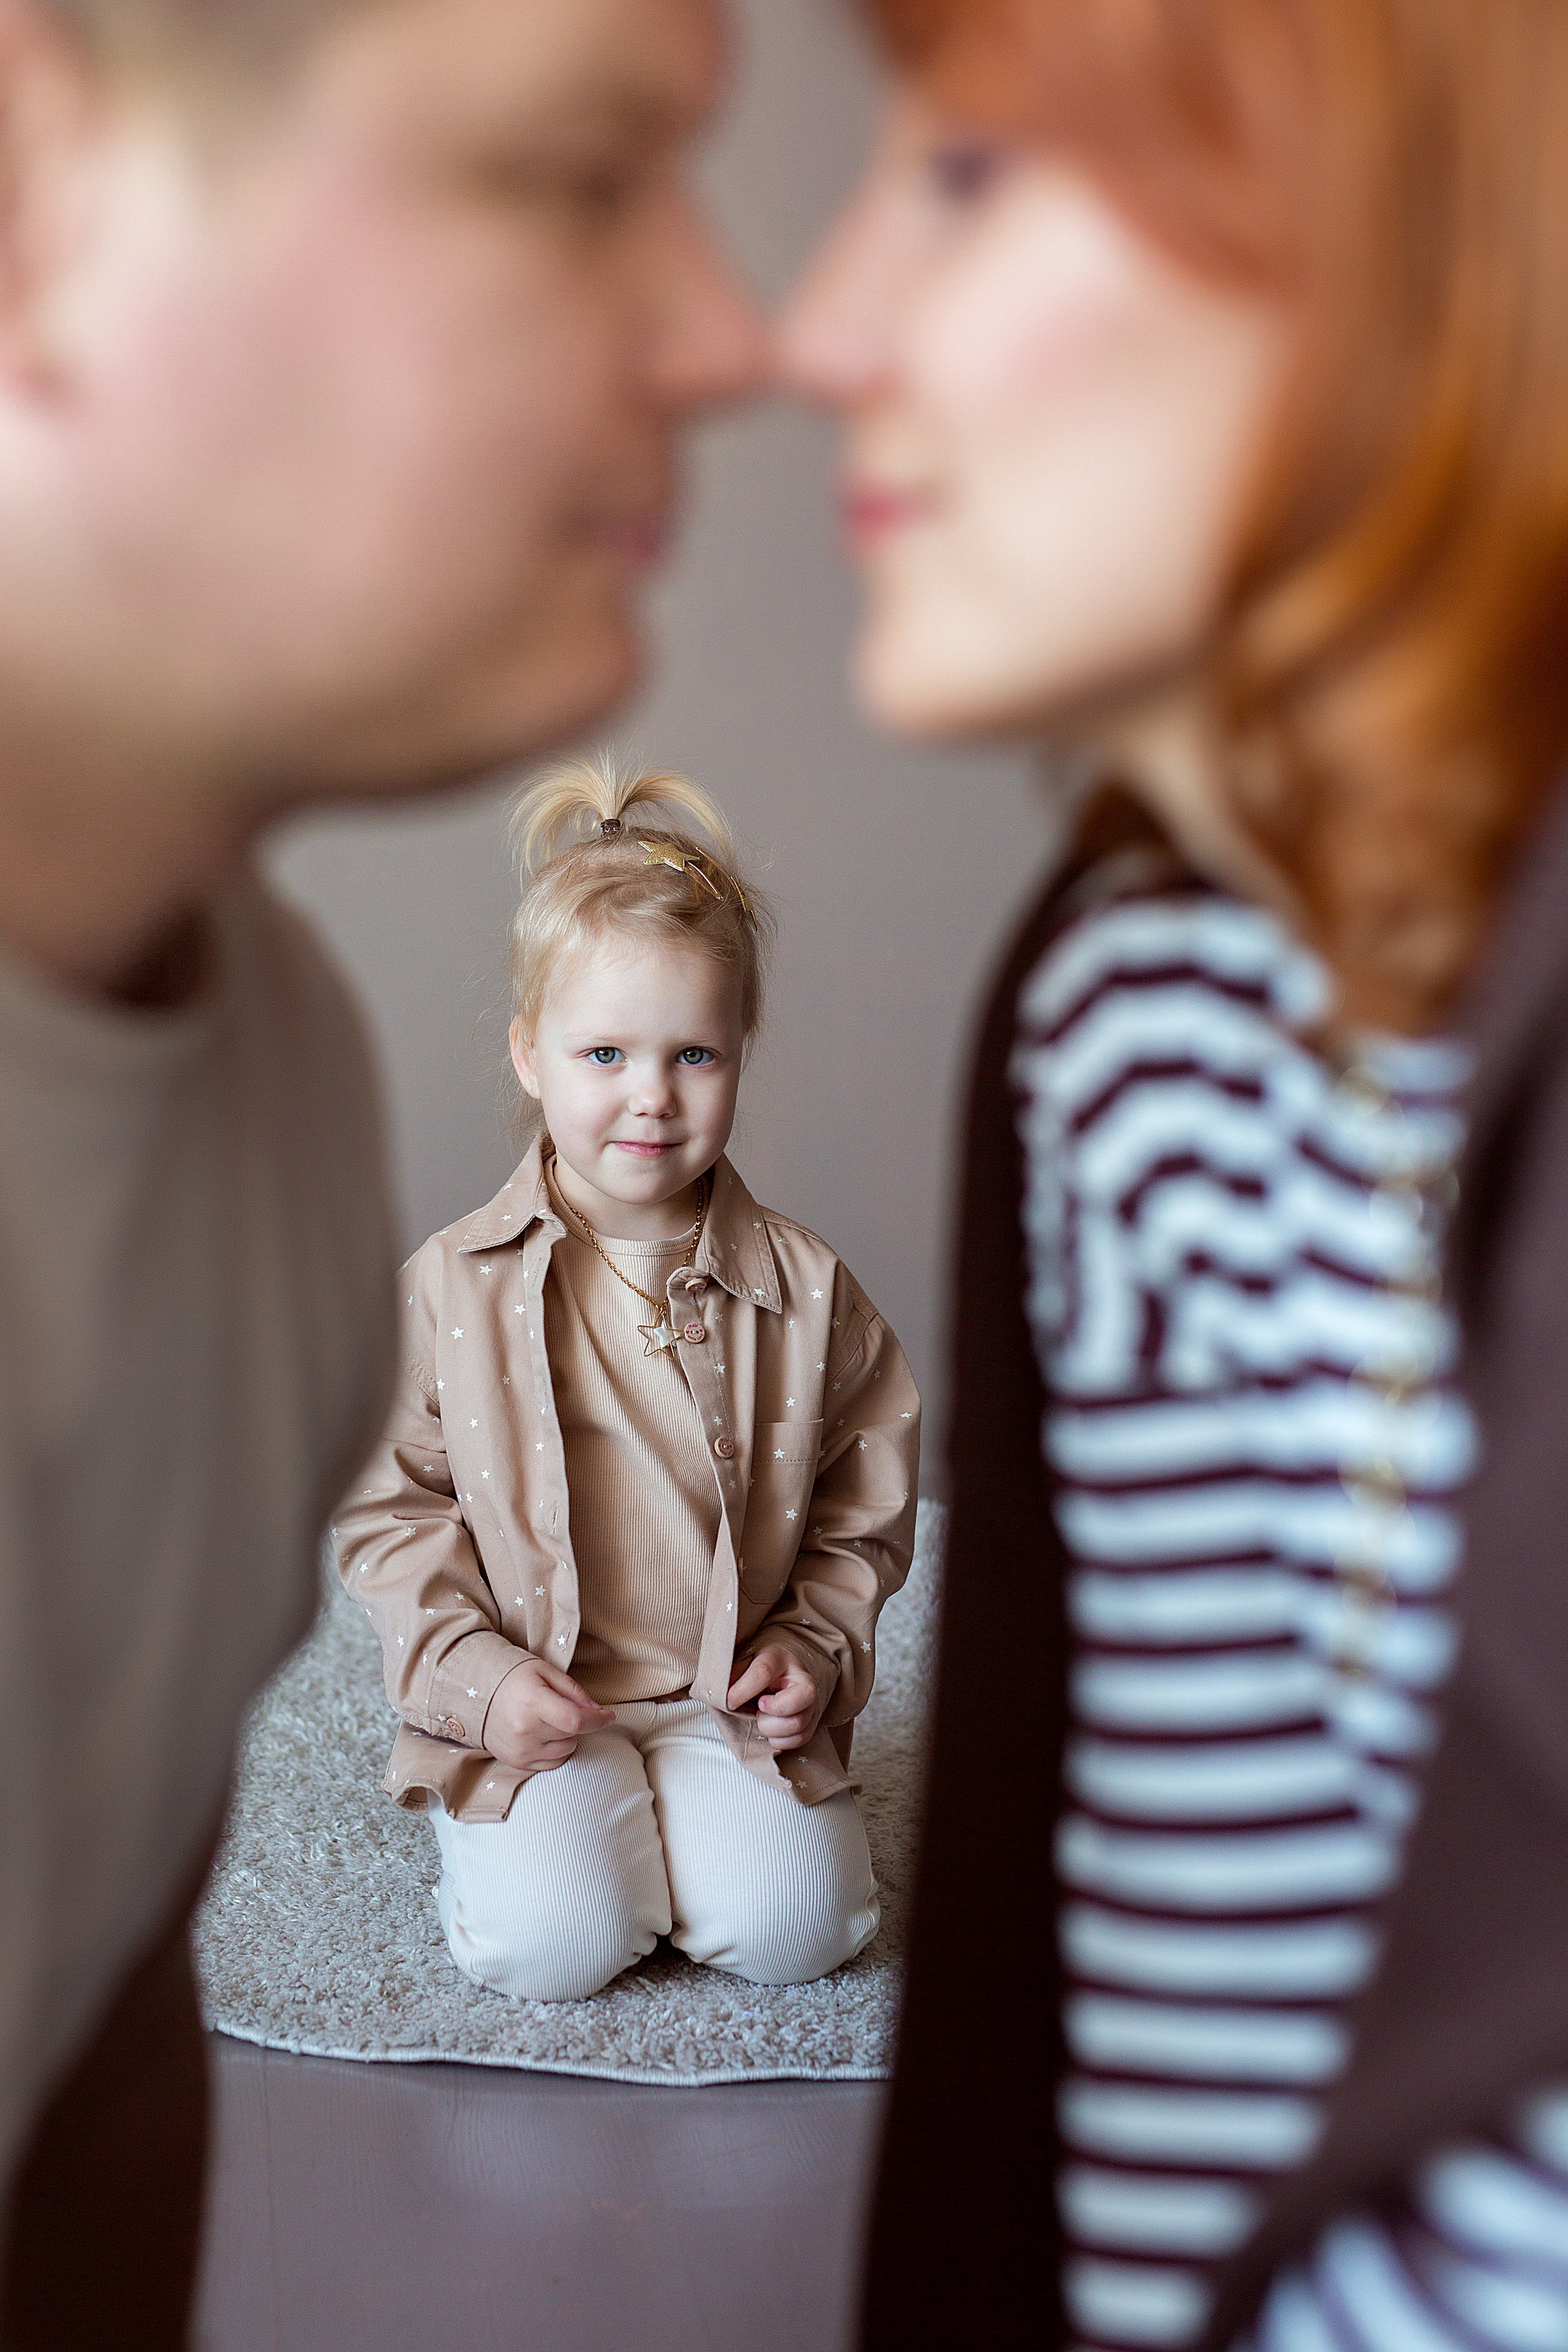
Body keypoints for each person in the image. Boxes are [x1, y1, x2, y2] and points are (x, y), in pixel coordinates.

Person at [781, 1, 1568, 2347]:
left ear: (1395, 219)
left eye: (970, 173)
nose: (819, 332)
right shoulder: (1155, 1028)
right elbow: (1189, 2123)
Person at [0, 0, 764, 2339]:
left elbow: (94, 2025)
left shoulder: (286, 1086)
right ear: (33, 175)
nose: (737, 334)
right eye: (569, 173)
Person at [334, 760, 921, 2003]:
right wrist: (478, 1684)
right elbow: (391, 1513)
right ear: (530, 1055)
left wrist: (812, 1651)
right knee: (554, 1951)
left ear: (739, 1056)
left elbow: (862, 1507)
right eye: (603, 1052)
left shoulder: (805, 1289)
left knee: (802, 1930)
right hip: (540, 1699)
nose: (648, 1097)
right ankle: (539, 1835)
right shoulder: (449, 1290)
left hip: (722, 1691)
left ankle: (686, 1831)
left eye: (692, 1055)